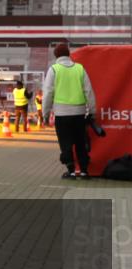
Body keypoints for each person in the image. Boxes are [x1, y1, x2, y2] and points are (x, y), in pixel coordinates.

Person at [42, 43, 97, 179]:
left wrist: (45, 113)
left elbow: (48, 93)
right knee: (80, 142)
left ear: (56, 56)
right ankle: (84, 170)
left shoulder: (54, 70)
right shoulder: (80, 68)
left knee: (65, 142)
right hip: (79, 113)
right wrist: (92, 110)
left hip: (62, 114)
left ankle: (71, 170)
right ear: (69, 54)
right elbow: (88, 91)